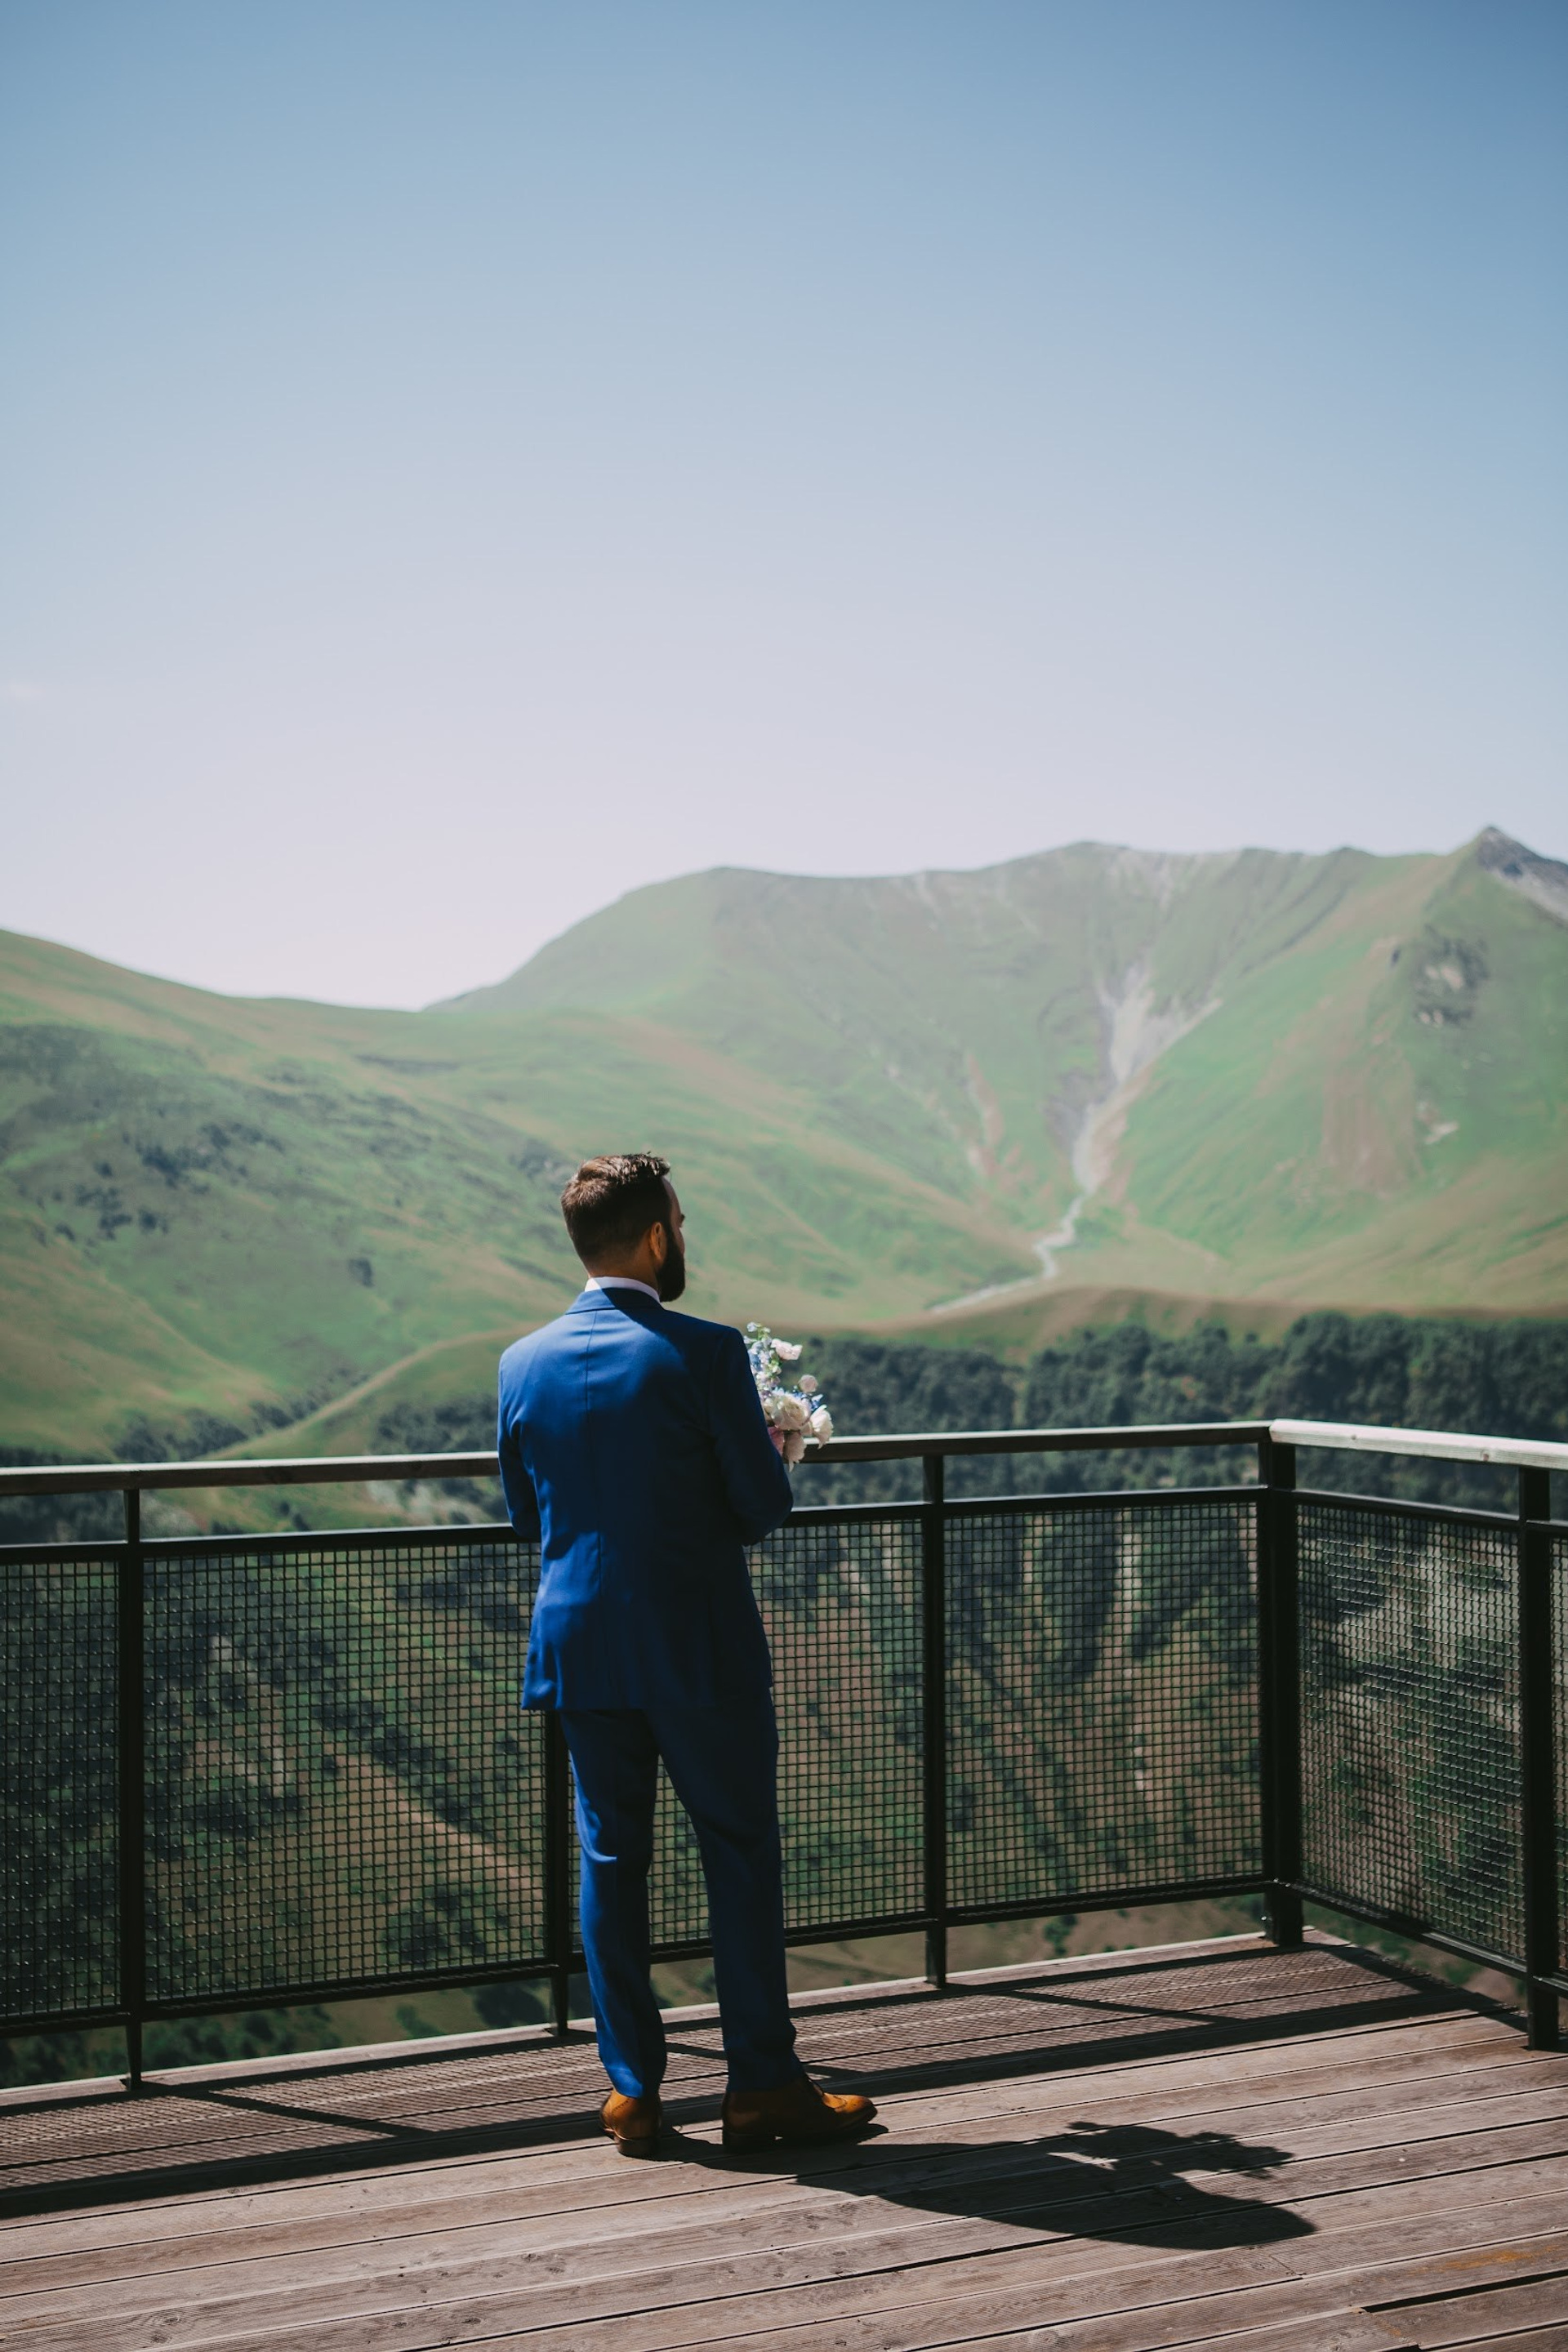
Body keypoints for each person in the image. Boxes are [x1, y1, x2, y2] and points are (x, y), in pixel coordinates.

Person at [497, 1152, 877, 2158]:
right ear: (660, 1235)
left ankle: (632, 2092)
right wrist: (771, 1451)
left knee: (609, 1858)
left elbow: (528, 1513)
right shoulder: (702, 1353)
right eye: (680, 1220)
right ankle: (760, 2087)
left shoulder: (519, 1364)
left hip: (580, 1645)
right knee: (739, 1852)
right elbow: (760, 1509)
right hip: (697, 1644)